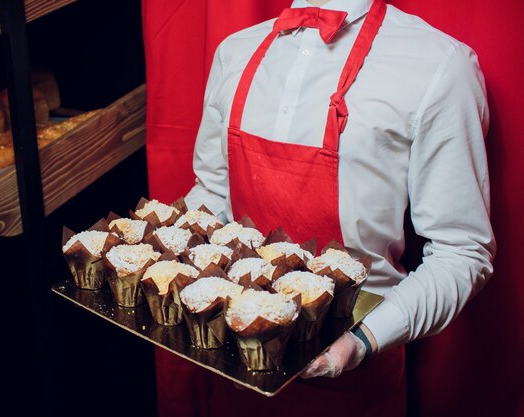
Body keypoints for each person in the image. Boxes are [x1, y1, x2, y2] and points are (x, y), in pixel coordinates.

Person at [155, 0, 495, 415]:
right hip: (233, 365)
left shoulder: (439, 65)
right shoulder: (235, 51)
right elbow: (211, 194)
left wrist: (362, 341)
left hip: (356, 382)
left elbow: (461, 252)